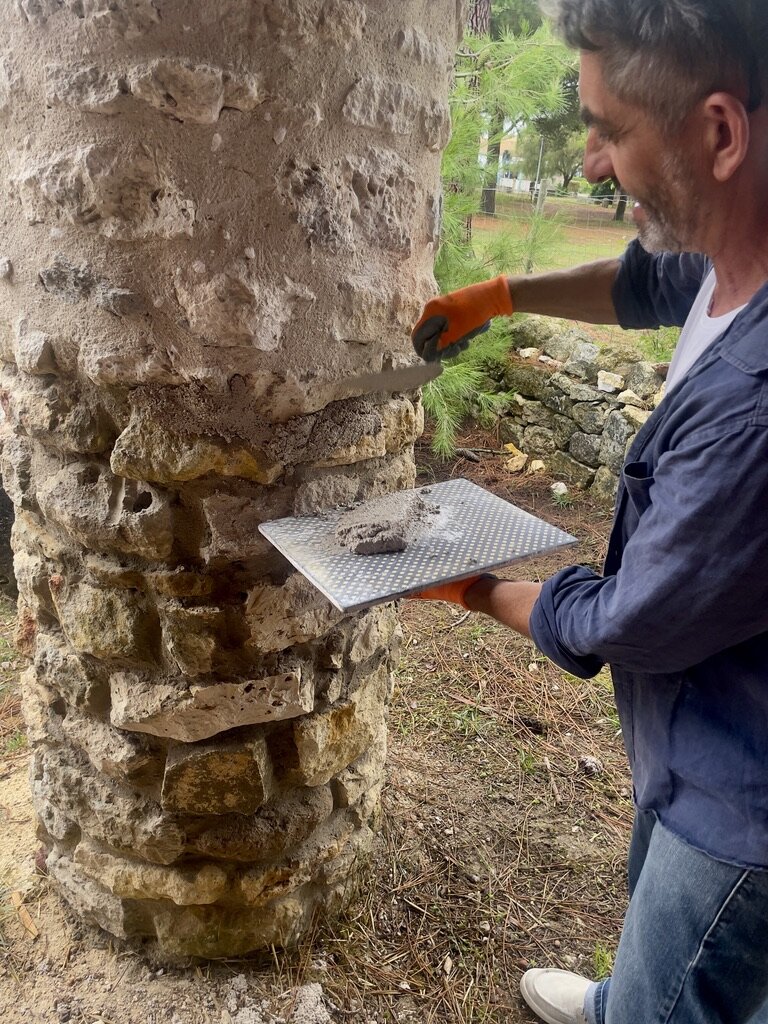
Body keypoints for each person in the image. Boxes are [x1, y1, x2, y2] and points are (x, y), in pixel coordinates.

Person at [410, 2, 768, 1023]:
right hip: (703, 733)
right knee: (663, 912)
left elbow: (629, 619)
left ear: (718, 132)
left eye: (611, 132)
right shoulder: (738, 242)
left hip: (742, 804)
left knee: (695, 969)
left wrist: (480, 587)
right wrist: (500, 294)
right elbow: (647, 283)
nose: (594, 166)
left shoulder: (753, 414)